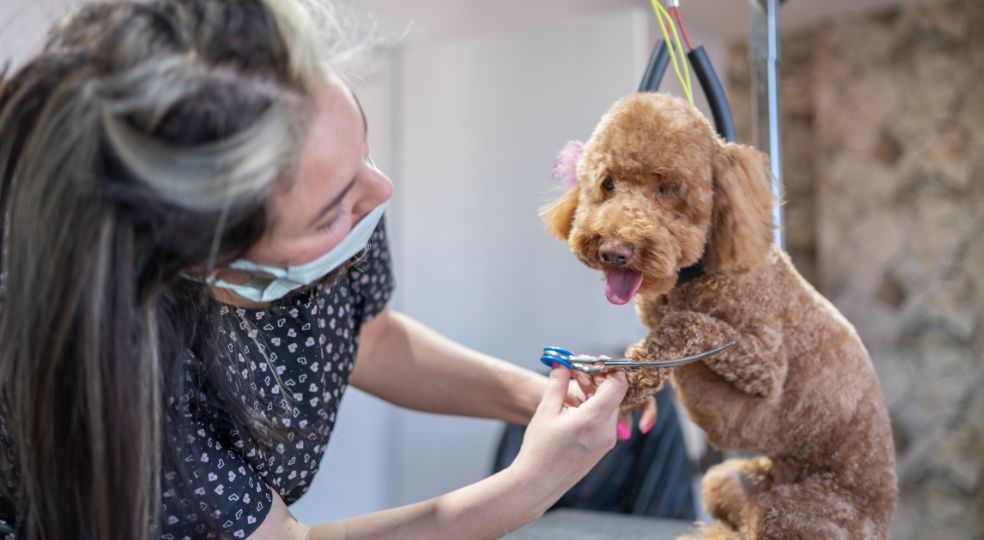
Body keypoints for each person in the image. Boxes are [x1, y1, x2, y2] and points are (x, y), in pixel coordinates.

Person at [0, 0, 657, 538]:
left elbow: (372, 338)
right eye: (330, 212)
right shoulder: (112, 367)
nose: (380, 190)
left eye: (364, 148)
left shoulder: (347, 191)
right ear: (198, 256)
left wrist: (537, 396)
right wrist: (531, 485)